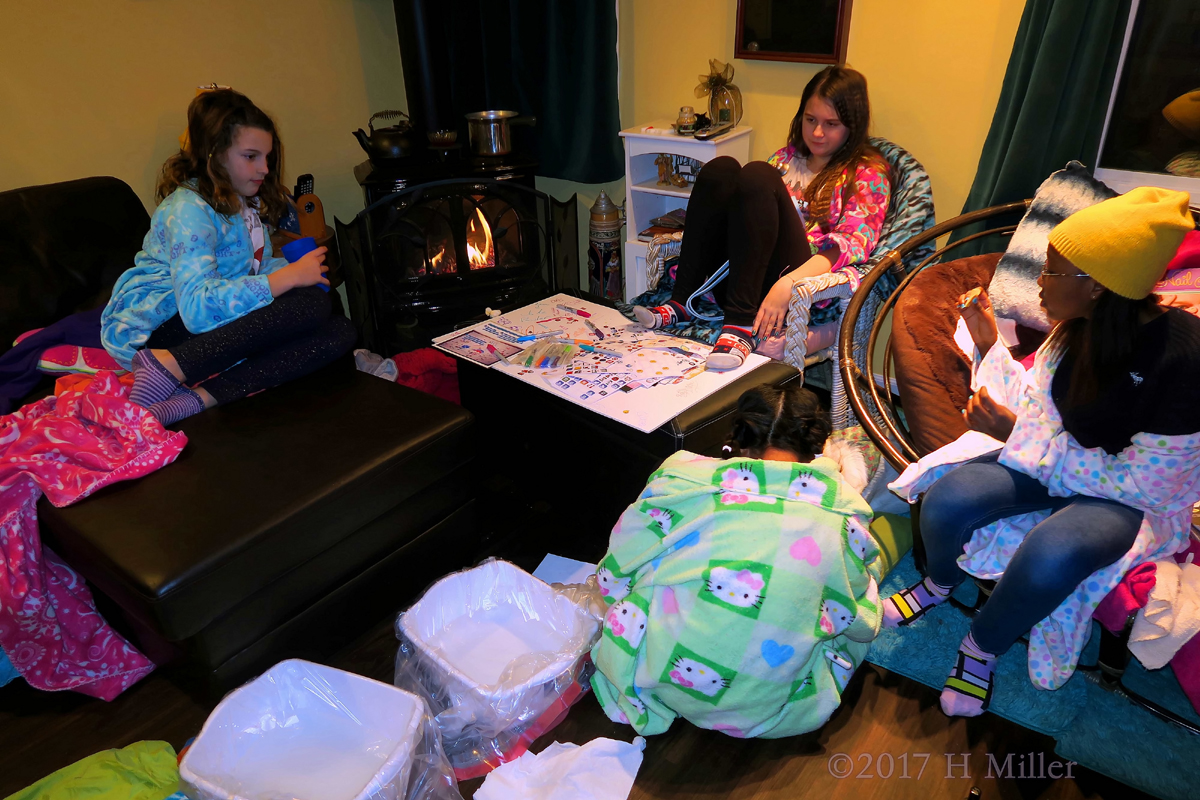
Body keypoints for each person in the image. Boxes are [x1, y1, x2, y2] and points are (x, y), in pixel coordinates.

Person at [883, 187, 1200, 717]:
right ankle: (941, 580)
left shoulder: (1185, 361)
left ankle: (981, 644)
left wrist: (1022, 439)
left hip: (1132, 501)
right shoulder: (1070, 337)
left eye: (1052, 272)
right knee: (947, 498)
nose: (1038, 280)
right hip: (1059, 466)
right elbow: (1038, 420)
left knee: (1053, 551)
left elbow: (1149, 484)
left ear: (1097, 287)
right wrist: (1021, 431)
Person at [590, 384, 883, 738]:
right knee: (851, 589)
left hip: (660, 678)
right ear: (818, 447)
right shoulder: (842, 512)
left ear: (741, 438)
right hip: (766, 710)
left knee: (659, 562)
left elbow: (613, 572)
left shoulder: (682, 477)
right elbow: (860, 621)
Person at [101, 89, 356, 425]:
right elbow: (196, 311)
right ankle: (167, 366)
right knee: (311, 304)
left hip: (207, 322)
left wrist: (293, 269)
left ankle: (200, 398)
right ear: (215, 154)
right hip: (158, 324)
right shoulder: (187, 209)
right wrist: (288, 279)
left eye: (267, 157)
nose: (264, 168)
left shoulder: (243, 202)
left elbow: (255, 268)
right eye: (251, 156)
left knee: (340, 329)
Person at [632, 65, 890, 371]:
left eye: (831, 124)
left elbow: (848, 246)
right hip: (748, 277)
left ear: (852, 125)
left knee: (757, 174)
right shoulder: (785, 159)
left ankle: (739, 326)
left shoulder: (867, 173)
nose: (818, 132)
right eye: (810, 120)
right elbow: (749, 225)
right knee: (720, 171)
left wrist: (789, 285)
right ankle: (681, 301)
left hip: (804, 289)